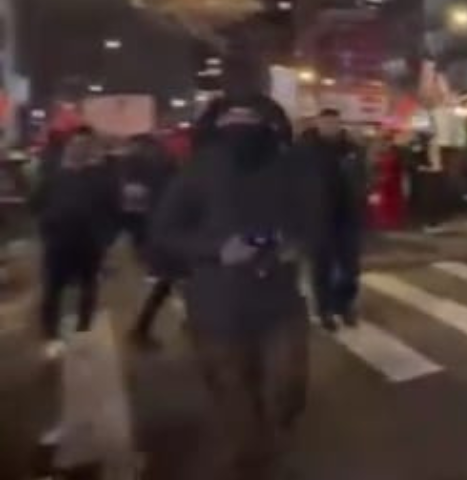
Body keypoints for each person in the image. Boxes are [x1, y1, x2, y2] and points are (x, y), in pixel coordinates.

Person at [151, 95, 323, 480]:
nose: (242, 130)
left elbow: (313, 216)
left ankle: (275, 429)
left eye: (250, 120)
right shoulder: (196, 172)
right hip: (218, 305)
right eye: (233, 121)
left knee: (288, 385)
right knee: (235, 393)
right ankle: (254, 461)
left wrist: (295, 242)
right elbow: (163, 232)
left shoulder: (288, 168)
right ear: (219, 128)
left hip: (278, 299)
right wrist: (217, 250)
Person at [33, 127, 118, 360]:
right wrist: (47, 227)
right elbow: (36, 203)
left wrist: (107, 239)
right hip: (59, 242)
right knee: (53, 290)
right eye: (75, 144)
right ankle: (52, 336)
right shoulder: (54, 175)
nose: (79, 149)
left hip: (89, 243)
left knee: (88, 287)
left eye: (84, 145)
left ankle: (82, 331)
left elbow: (113, 208)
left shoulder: (102, 176)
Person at [301, 109, 367, 331]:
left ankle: (345, 306)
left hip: (347, 216)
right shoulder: (305, 149)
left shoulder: (351, 149)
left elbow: (362, 178)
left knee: (350, 267)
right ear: (318, 124)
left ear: (339, 124)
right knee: (322, 267)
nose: (330, 126)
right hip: (317, 217)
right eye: (325, 122)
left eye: (334, 123)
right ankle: (324, 309)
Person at [119, 134, 179, 349]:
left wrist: (138, 238)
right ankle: (140, 329)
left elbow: (132, 207)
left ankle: (141, 329)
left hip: (159, 228)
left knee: (171, 279)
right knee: (171, 279)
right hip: (167, 228)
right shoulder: (162, 163)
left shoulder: (134, 167)